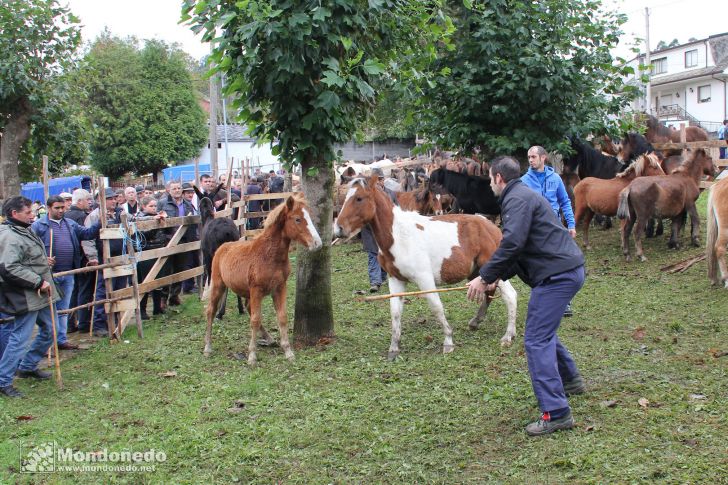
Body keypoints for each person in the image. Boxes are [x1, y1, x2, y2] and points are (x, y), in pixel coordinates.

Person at [466, 156, 586, 436]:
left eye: (489, 178)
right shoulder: (521, 195)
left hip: (557, 276)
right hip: (563, 271)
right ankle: (571, 381)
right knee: (542, 332)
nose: (489, 183)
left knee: (535, 339)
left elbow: (513, 243)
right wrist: (496, 277)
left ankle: (556, 413)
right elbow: (519, 249)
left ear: (498, 178)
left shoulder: (515, 199)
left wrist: (484, 276)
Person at [0, 196, 59, 398]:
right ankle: (3, 381)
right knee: (20, 338)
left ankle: (27, 366)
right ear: (14, 214)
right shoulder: (10, 236)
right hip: (25, 293)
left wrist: (43, 262)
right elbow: (9, 267)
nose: (33, 215)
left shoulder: (25, 230)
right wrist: (37, 281)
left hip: (40, 292)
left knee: (52, 329)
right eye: (28, 212)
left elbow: (27, 259)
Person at [31, 196, 101, 349]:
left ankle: (61, 340)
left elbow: (87, 233)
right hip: (49, 275)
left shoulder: (70, 224)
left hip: (68, 272)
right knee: (50, 310)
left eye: (63, 207)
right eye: (57, 208)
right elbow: (30, 249)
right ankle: (49, 342)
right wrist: (42, 259)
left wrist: (100, 222)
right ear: (49, 208)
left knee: (63, 309)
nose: (61, 210)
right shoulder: (39, 226)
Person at [522, 145, 577, 317]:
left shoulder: (555, 179)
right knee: (538, 264)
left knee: (561, 261)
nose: (530, 160)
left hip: (555, 227)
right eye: (529, 157)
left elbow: (565, 202)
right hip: (535, 228)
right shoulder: (524, 181)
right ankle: (541, 299)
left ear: (543, 158)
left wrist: (571, 224)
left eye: (533, 157)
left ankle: (565, 302)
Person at [133, 197, 170, 319]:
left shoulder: (159, 217)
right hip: (145, 252)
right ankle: (142, 311)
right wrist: (155, 224)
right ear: (143, 207)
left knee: (158, 281)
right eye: (151, 206)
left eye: (155, 206)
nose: (154, 208)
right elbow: (142, 236)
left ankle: (157, 308)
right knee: (144, 282)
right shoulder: (138, 218)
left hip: (158, 249)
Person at [158, 181, 194, 306]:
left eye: (179, 188)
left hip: (183, 239)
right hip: (169, 239)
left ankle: (175, 295)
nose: (177, 190)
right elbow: (158, 222)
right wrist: (163, 238)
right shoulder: (163, 203)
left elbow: (192, 222)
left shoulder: (188, 204)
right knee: (166, 269)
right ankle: (163, 297)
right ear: (168, 190)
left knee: (180, 267)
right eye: (174, 188)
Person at [65, 189, 94, 334]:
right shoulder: (81, 216)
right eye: (87, 199)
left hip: (71, 260)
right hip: (84, 258)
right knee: (85, 290)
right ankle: (83, 323)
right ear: (79, 201)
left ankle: (70, 323)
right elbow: (86, 236)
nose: (89, 202)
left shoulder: (66, 216)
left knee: (73, 291)